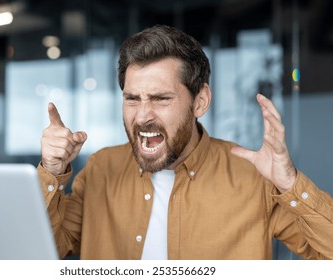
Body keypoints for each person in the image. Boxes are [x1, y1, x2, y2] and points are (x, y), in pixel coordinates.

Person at [38, 25, 333, 260]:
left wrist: (290, 183)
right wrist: (50, 173)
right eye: (132, 99)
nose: (142, 116)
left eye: (161, 98)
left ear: (200, 101)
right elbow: (44, 252)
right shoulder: (102, 167)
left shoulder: (252, 178)